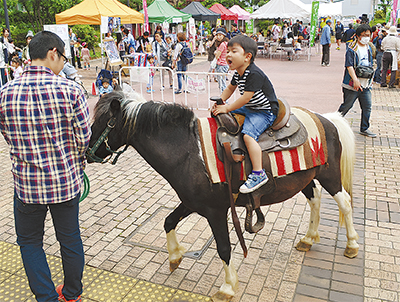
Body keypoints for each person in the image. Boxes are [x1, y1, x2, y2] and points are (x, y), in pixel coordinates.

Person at [0, 30, 91, 302]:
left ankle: (46, 297)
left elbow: (7, 135)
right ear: (53, 52)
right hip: (65, 182)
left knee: (29, 243)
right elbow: (83, 138)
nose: (63, 63)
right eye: (63, 57)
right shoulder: (71, 90)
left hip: (27, 187)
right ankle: (72, 293)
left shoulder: (5, 93)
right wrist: (74, 157)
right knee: (70, 239)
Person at [212, 35, 278, 193]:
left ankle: (258, 173)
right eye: (227, 51)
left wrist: (227, 108)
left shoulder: (254, 73)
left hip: (263, 111)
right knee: (220, 114)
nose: (228, 54)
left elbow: (246, 97)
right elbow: (229, 89)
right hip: (250, 106)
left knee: (248, 135)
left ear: (247, 57)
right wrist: (221, 101)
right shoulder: (238, 73)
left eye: (233, 51)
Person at [338, 24, 376, 138]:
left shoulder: (369, 47)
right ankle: (333, 123)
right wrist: (355, 80)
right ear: (358, 36)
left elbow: (370, 64)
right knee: (346, 106)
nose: (366, 37)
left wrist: (371, 79)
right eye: (364, 35)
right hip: (352, 84)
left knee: (367, 106)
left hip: (366, 85)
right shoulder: (352, 48)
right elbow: (349, 66)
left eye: (368, 35)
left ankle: (364, 128)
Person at [214, 27, 229, 94]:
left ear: (223, 35)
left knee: (222, 84)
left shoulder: (222, 44)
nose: (218, 37)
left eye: (220, 35)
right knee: (222, 83)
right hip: (225, 64)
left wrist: (215, 53)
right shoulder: (226, 43)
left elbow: (217, 56)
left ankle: (224, 99)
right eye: (217, 35)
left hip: (221, 65)